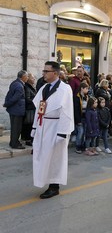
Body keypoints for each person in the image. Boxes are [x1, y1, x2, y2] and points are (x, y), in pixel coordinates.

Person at [31, 61, 74, 199]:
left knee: (55, 157)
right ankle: (44, 180)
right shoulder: (44, 87)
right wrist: (35, 127)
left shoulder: (65, 88)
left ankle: (54, 186)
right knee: (43, 156)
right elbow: (39, 109)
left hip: (56, 127)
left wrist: (62, 132)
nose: (43, 73)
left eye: (46, 71)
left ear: (55, 73)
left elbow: (67, 111)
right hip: (44, 125)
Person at [3, 70, 29, 149]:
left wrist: (7, 104)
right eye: (27, 76)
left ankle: (13, 142)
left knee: (14, 127)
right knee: (16, 128)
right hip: (17, 110)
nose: (27, 78)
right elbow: (15, 98)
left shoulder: (15, 83)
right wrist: (6, 104)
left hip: (14, 110)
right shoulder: (19, 86)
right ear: (23, 77)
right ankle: (15, 144)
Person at [73, 82, 89, 154]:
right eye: (86, 88)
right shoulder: (77, 97)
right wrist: (78, 120)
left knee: (84, 132)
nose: (87, 90)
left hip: (85, 117)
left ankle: (83, 145)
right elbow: (76, 110)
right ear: (82, 89)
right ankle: (78, 146)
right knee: (80, 132)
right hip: (79, 117)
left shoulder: (86, 96)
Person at [21, 73, 37, 146]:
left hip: (32, 108)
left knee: (30, 124)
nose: (34, 79)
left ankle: (29, 139)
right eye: (32, 78)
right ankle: (28, 140)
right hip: (29, 109)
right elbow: (27, 99)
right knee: (28, 125)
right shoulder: (27, 87)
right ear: (29, 79)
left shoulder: (31, 87)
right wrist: (36, 100)